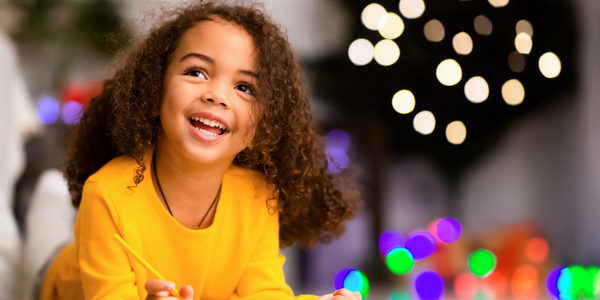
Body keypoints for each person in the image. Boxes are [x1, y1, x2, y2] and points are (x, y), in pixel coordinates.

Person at [40, 2, 363, 300]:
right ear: (154, 92)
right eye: (196, 72)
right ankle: (47, 203)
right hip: (59, 285)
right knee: (41, 247)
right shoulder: (107, 192)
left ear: (263, 128)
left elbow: (263, 293)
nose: (217, 95)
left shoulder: (257, 196)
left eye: (244, 88)